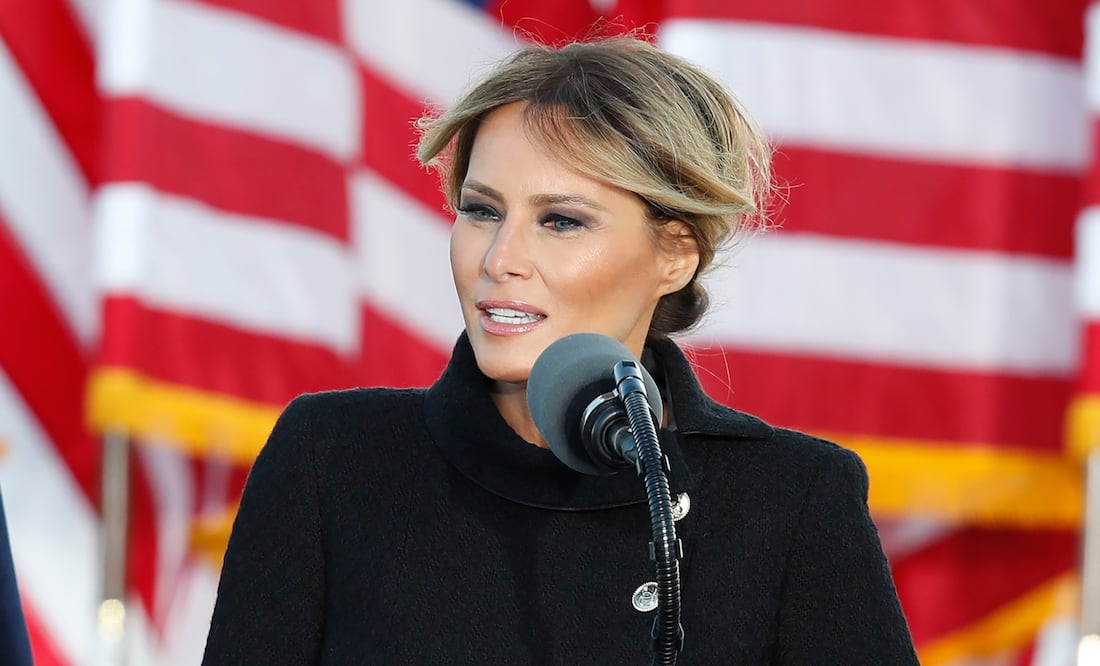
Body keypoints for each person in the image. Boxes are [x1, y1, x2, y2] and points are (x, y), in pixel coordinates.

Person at [202, 35, 919, 664]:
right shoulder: (332, 458)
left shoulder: (792, 500)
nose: (501, 258)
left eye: (562, 221)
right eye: (481, 211)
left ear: (675, 253)